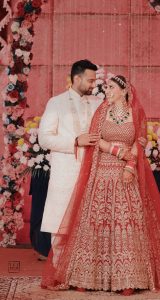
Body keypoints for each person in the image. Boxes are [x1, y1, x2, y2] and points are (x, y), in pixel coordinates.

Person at [41, 75, 160, 295]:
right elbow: (96, 139)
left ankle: (128, 279)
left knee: (128, 222)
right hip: (102, 173)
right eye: (107, 87)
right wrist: (117, 151)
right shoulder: (102, 111)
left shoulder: (136, 113)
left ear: (124, 91)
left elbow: (139, 142)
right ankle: (85, 277)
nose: (107, 90)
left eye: (112, 87)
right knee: (95, 221)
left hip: (127, 174)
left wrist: (130, 165)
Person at [38, 59, 102, 239]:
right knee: (61, 232)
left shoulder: (99, 103)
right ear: (76, 78)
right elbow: (44, 138)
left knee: (91, 230)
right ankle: (58, 267)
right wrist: (75, 141)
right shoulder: (56, 103)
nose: (93, 84)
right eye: (90, 80)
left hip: (93, 173)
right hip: (66, 174)